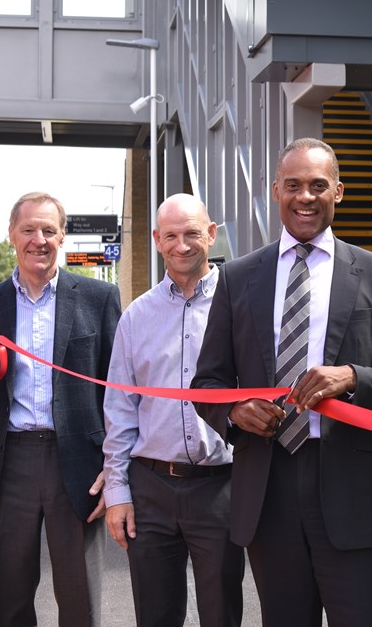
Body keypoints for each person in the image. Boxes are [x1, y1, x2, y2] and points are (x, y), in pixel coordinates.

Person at [191, 138, 372, 627]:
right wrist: (233, 413)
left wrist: (353, 377)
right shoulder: (237, 276)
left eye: (318, 186)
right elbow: (207, 381)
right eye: (293, 185)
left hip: (351, 487)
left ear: (339, 191)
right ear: (276, 190)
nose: (305, 197)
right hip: (268, 487)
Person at [0, 191, 120, 627]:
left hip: (79, 465)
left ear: (62, 235)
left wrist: (115, 467)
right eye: (28, 229)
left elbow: (118, 393)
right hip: (9, 463)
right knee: (8, 601)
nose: (38, 239)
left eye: (48, 229)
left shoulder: (99, 299)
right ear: (11, 235)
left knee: (80, 601)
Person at [102, 193, 244, 626]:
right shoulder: (136, 317)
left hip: (219, 487)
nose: (182, 245)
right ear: (156, 240)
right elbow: (120, 411)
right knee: (155, 615)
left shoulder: (241, 305)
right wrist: (117, 492)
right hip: (151, 492)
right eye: (171, 236)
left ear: (212, 234)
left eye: (192, 234)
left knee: (221, 614)